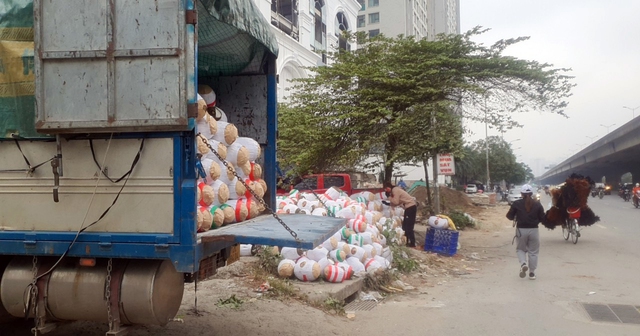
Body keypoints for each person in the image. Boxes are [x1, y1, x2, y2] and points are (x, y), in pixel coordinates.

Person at [506, 184, 545, 280]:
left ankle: (523, 263)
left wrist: (517, 216)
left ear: (521, 193)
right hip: (534, 230)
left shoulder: (516, 203)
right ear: (531, 193)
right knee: (533, 252)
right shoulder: (537, 204)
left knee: (520, 249)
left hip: (521, 230)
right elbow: (543, 218)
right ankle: (532, 273)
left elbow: (509, 216)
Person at [382, 182, 417, 248]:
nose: (386, 190)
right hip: (409, 208)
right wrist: (388, 204)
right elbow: (397, 203)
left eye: (386, 189)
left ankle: (412, 243)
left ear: (389, 187)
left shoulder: (395, 190)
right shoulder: (396, 190)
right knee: (405, 225)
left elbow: (396, 201)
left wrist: (389, 197)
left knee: (408, 226)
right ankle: (406, 242)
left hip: (410, 208)